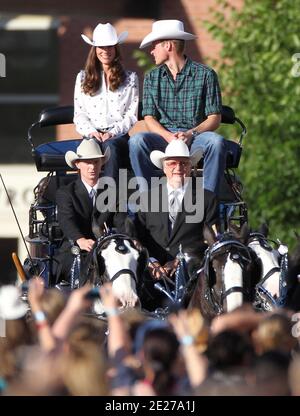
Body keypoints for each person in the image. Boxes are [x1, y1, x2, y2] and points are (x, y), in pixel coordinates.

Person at [129, 19, 239, 195]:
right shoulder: (151, 77)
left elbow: (214, 118)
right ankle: (149, 202)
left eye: (154, 45)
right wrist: (168, 136)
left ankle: (207, 202)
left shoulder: (206, 74)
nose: (151, 51)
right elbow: (149, 118)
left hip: (196, 136)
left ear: (168, 46)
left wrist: (190, 134)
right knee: (136, 141)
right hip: (163, 138)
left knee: (216, 142)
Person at [131, 140, 219, 308]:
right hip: (149, 279)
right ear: (164, 167)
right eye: (172, 163)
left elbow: (212, 240)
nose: (178, 168)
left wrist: (181, 259)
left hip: (191, 281)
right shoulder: (146, 198)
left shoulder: (207, 199)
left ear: (191, 167)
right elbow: (135, 235)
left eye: (183, 163)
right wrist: (151, 261)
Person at [54, 138, 126, 285]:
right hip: (74, 250)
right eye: (87, 162)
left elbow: (121, 222)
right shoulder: (66, 193)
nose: (92, 167)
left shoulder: (114, 194)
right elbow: (66, 219)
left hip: (107, 251)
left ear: (102, 165)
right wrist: (80, 239)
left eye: (96, 162)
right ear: (77, 165)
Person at [74, 22, 139, 183]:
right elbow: (79, 113)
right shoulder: (82, 78)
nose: (106, 51)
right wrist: (91, 132)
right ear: (95, 50)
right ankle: (90, 196)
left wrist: (112, 133)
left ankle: (109, 199)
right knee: (89, 150)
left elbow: (131, 115)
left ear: (116, 49)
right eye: (101, 47)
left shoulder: (130, 78)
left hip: (118, 136)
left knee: (112, 148)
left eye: (110, 46)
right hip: (91, 134)